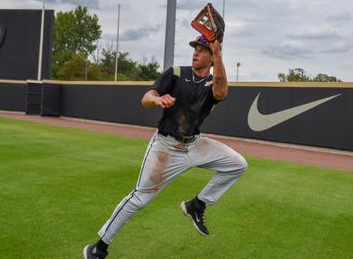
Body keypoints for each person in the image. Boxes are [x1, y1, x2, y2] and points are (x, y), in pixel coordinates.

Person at [84, 35, 248, 259]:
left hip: (195, 144)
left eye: (202, 49)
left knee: (237, 164)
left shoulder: (214, 82)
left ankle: (197, 206)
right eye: (195, 48)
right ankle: (99, 248)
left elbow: (221, 93)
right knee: (139, 198)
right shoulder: (176, 73)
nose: (195, 53)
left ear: (212, 57)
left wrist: (218, 54)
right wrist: (156, 100)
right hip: (166, 147)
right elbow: (147, 97)